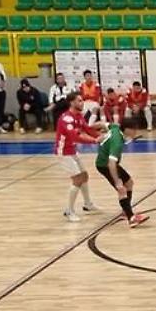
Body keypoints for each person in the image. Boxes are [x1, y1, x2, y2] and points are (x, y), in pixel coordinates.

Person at [54, 94, 102, 223]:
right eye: (79, 101)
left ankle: (88, 204)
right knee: (77, 179)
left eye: (82, 101)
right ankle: (69, 210)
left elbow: (87, 129)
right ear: (72, 103)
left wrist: (104, 136)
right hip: (63, 152)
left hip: (72, 150)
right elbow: (75, 136)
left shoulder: (79, 116)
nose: (82, 103)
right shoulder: (66, 119)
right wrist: (94, 141)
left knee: (84, 175)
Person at [95, 118, 149, 228]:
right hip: (105, 166)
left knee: (129, 183)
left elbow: (100, 124)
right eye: (134, 129)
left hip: (110, 164)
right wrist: (117, 182)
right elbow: (111, 164)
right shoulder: (117, 142)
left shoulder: (115, 127)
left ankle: (125, 211)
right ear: (127, 129)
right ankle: (131, 218)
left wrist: (88, 129)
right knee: (122, 189)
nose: (135, 131)